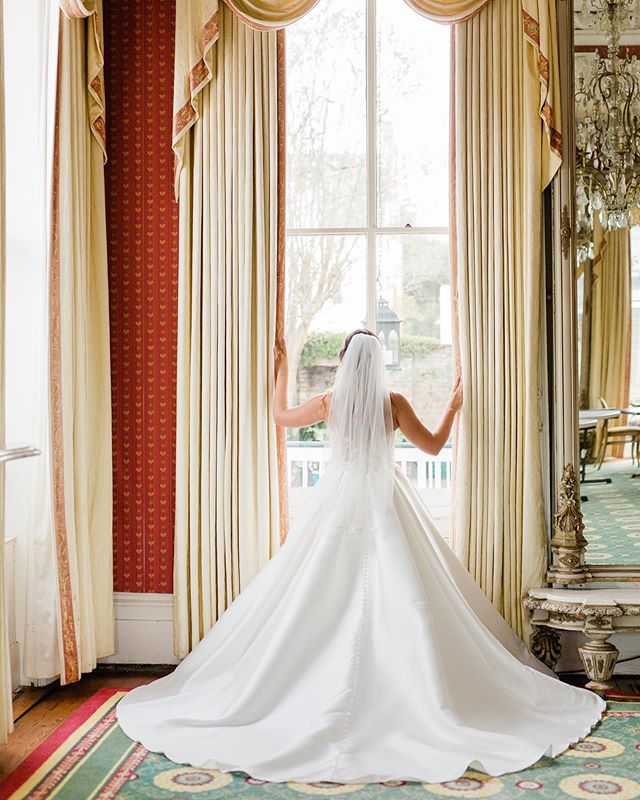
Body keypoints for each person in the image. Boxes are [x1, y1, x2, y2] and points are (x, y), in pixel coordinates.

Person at [116, 329, 605, 784]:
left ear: (346, 363)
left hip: (338, 501)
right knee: (404, 597)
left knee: (311, 596)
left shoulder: (331, 402)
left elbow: (280, 418)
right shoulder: (393, 403)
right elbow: (433, 447)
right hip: (386, 502)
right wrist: (454, 408)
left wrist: (282, 370)